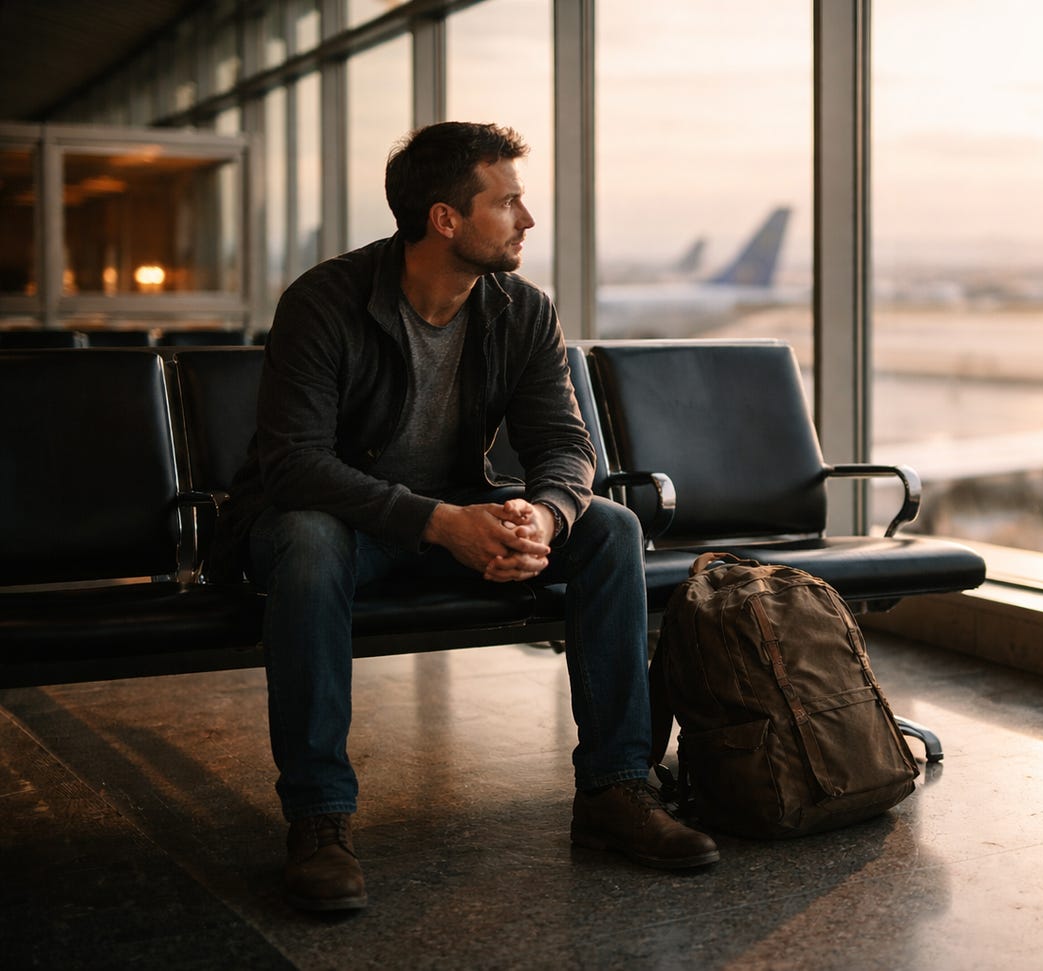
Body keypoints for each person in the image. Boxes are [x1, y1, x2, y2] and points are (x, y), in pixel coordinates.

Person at [216, 121, 718, 913]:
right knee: (309, 542)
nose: (527, 220)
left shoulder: (520, 310)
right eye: (508, 201)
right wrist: (445, 523)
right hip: (328, 523)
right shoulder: (324, 303)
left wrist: (544, 519)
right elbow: (296, 465)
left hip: (451, 511)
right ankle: (319, 820)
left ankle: (615, 791)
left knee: (611, 527)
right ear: (446, 220)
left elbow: (564, 444)